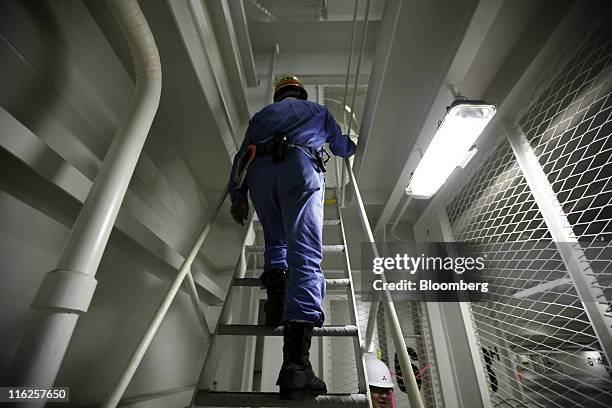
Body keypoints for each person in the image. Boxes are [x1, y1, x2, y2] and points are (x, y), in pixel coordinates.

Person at [228, 74, 357, 400]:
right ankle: (296, 368)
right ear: (300, 93)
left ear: (278, 95)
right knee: (305, 256)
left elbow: (242, 155)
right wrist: (354, 144)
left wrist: (238, 195)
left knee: (276, 242)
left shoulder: (261, 117)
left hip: (260, 177)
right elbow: (340, 147)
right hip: (298, 170)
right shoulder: (317, 110)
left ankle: (275, 306)